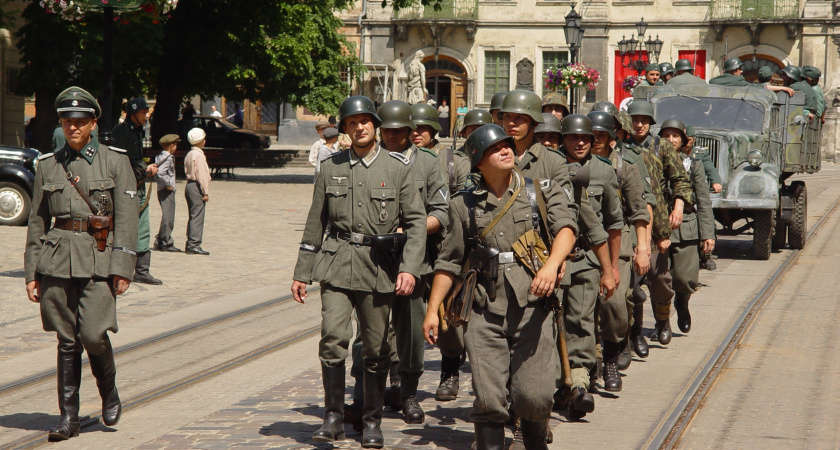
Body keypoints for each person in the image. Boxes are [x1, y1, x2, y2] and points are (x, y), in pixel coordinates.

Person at [423, 123, 578, 450]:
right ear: (479, 162)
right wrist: (432, 310)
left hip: (533, 307)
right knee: (489, 399)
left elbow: (567, 228)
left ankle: (534, 439)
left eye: (507, 145)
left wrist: (552, 265)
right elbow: (449, 262)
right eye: (495, 148)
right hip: (484, 310)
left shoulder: (540, 191)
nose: (506, 150)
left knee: (534, 398)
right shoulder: (462, 205)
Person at [290, 95, 426, 449]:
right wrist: (302, 272)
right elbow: (315, 222)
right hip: (335, 264)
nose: (359, 127)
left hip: (378, 268)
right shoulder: (330, 167)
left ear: (375, 126)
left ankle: (371, 420)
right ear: (345, 129)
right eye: (352, 122)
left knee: (377, 348)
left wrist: (410, 269)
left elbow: (415, 225)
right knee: (332, 338)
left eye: (365, 121)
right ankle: (333, 417)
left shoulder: (398, 168)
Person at [25, 86, 138, 442]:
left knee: (93, 334)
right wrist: (31, 272)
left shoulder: (114, 161)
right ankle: (68, 417)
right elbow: (37, 222)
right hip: (56, 260)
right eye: (67, 121)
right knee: (66, 339)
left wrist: (123, 266)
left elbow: (127, 219)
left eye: (80, 121)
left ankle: (109, 390)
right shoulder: (47, 165)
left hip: (99, 259)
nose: (73, 127)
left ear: (93, 124)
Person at [557, 114, 624, 402]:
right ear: (563, 139)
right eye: (573, 137)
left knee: (581, 320)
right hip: (554, 259)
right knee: (553, 321)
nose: (580, 143)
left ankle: (580, 382)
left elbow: (613, 223)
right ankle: (559, 378)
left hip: (587, 257)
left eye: (585, 138)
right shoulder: (552, 166)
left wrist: (612, 268)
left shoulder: (603, 170)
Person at [587, 110, 651, 390]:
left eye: (602, 135)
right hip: (584, 241)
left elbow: (639, 211)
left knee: (614, 305)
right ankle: (592, 364)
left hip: (618, 241)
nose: (596, 140)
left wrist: (643, 247)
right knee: (584, 308)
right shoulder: (573, 164)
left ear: (612, 138)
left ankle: (612, 355)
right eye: (592, 135)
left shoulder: (625, 167)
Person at [625, 100, 694, 346]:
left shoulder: (661, 146)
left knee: (660, 278)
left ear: (650, 123)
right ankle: (634, 332)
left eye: (644, 120)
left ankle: (663, 320)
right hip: (628, 220)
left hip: (658, 222)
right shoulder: (621, 146)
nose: (639, 124)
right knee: (632, 281)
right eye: (635, 120)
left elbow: (681, 180)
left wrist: (679, 206)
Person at [658, 119, 715, 335]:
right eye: (666, 136)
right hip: (658, 227)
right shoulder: (652, 161)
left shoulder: (693, 165)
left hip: (686, 229)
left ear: (683, 140)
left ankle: (682, 303)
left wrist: (708, 234)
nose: (671, 140)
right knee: (659, 280)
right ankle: (662, 320)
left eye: (675, 136)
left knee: (685, 278)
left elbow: (704, 201)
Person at [112, 98, 161, 285]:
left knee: (143, 227)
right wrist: (144, 169)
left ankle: (142, 270)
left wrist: (145, 168)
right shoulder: (121, 132)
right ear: (133, 113)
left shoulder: (137, 131)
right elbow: (121, 162)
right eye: (143, 112)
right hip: (124, 188)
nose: (146, 116)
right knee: (123, 227)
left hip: (137, 186)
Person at [184, 128, 211, 255]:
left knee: (192, 214)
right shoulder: (199, 155)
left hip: (189, 184)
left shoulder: (190, 153)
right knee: (197, 215)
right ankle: (194, 243)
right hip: (196, 186)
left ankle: (190, 241)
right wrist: (205, 192)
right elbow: (202, 175)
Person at [153, 134, 181, 252]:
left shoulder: (160, 156)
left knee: (167, 215)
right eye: (176, 144)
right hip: (166, 190)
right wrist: (169, 183)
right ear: (171, 146)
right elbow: (160, 173)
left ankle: (160, 240)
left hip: (161, 188)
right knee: (168, 216)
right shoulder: (168, 158)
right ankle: (165, 241)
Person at [710, 57, 795, 97]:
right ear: (732, 70)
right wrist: (783, 88)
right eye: (739, 69)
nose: (741, 71)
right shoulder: (738, 81)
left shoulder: (713, 81)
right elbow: (760, 87)